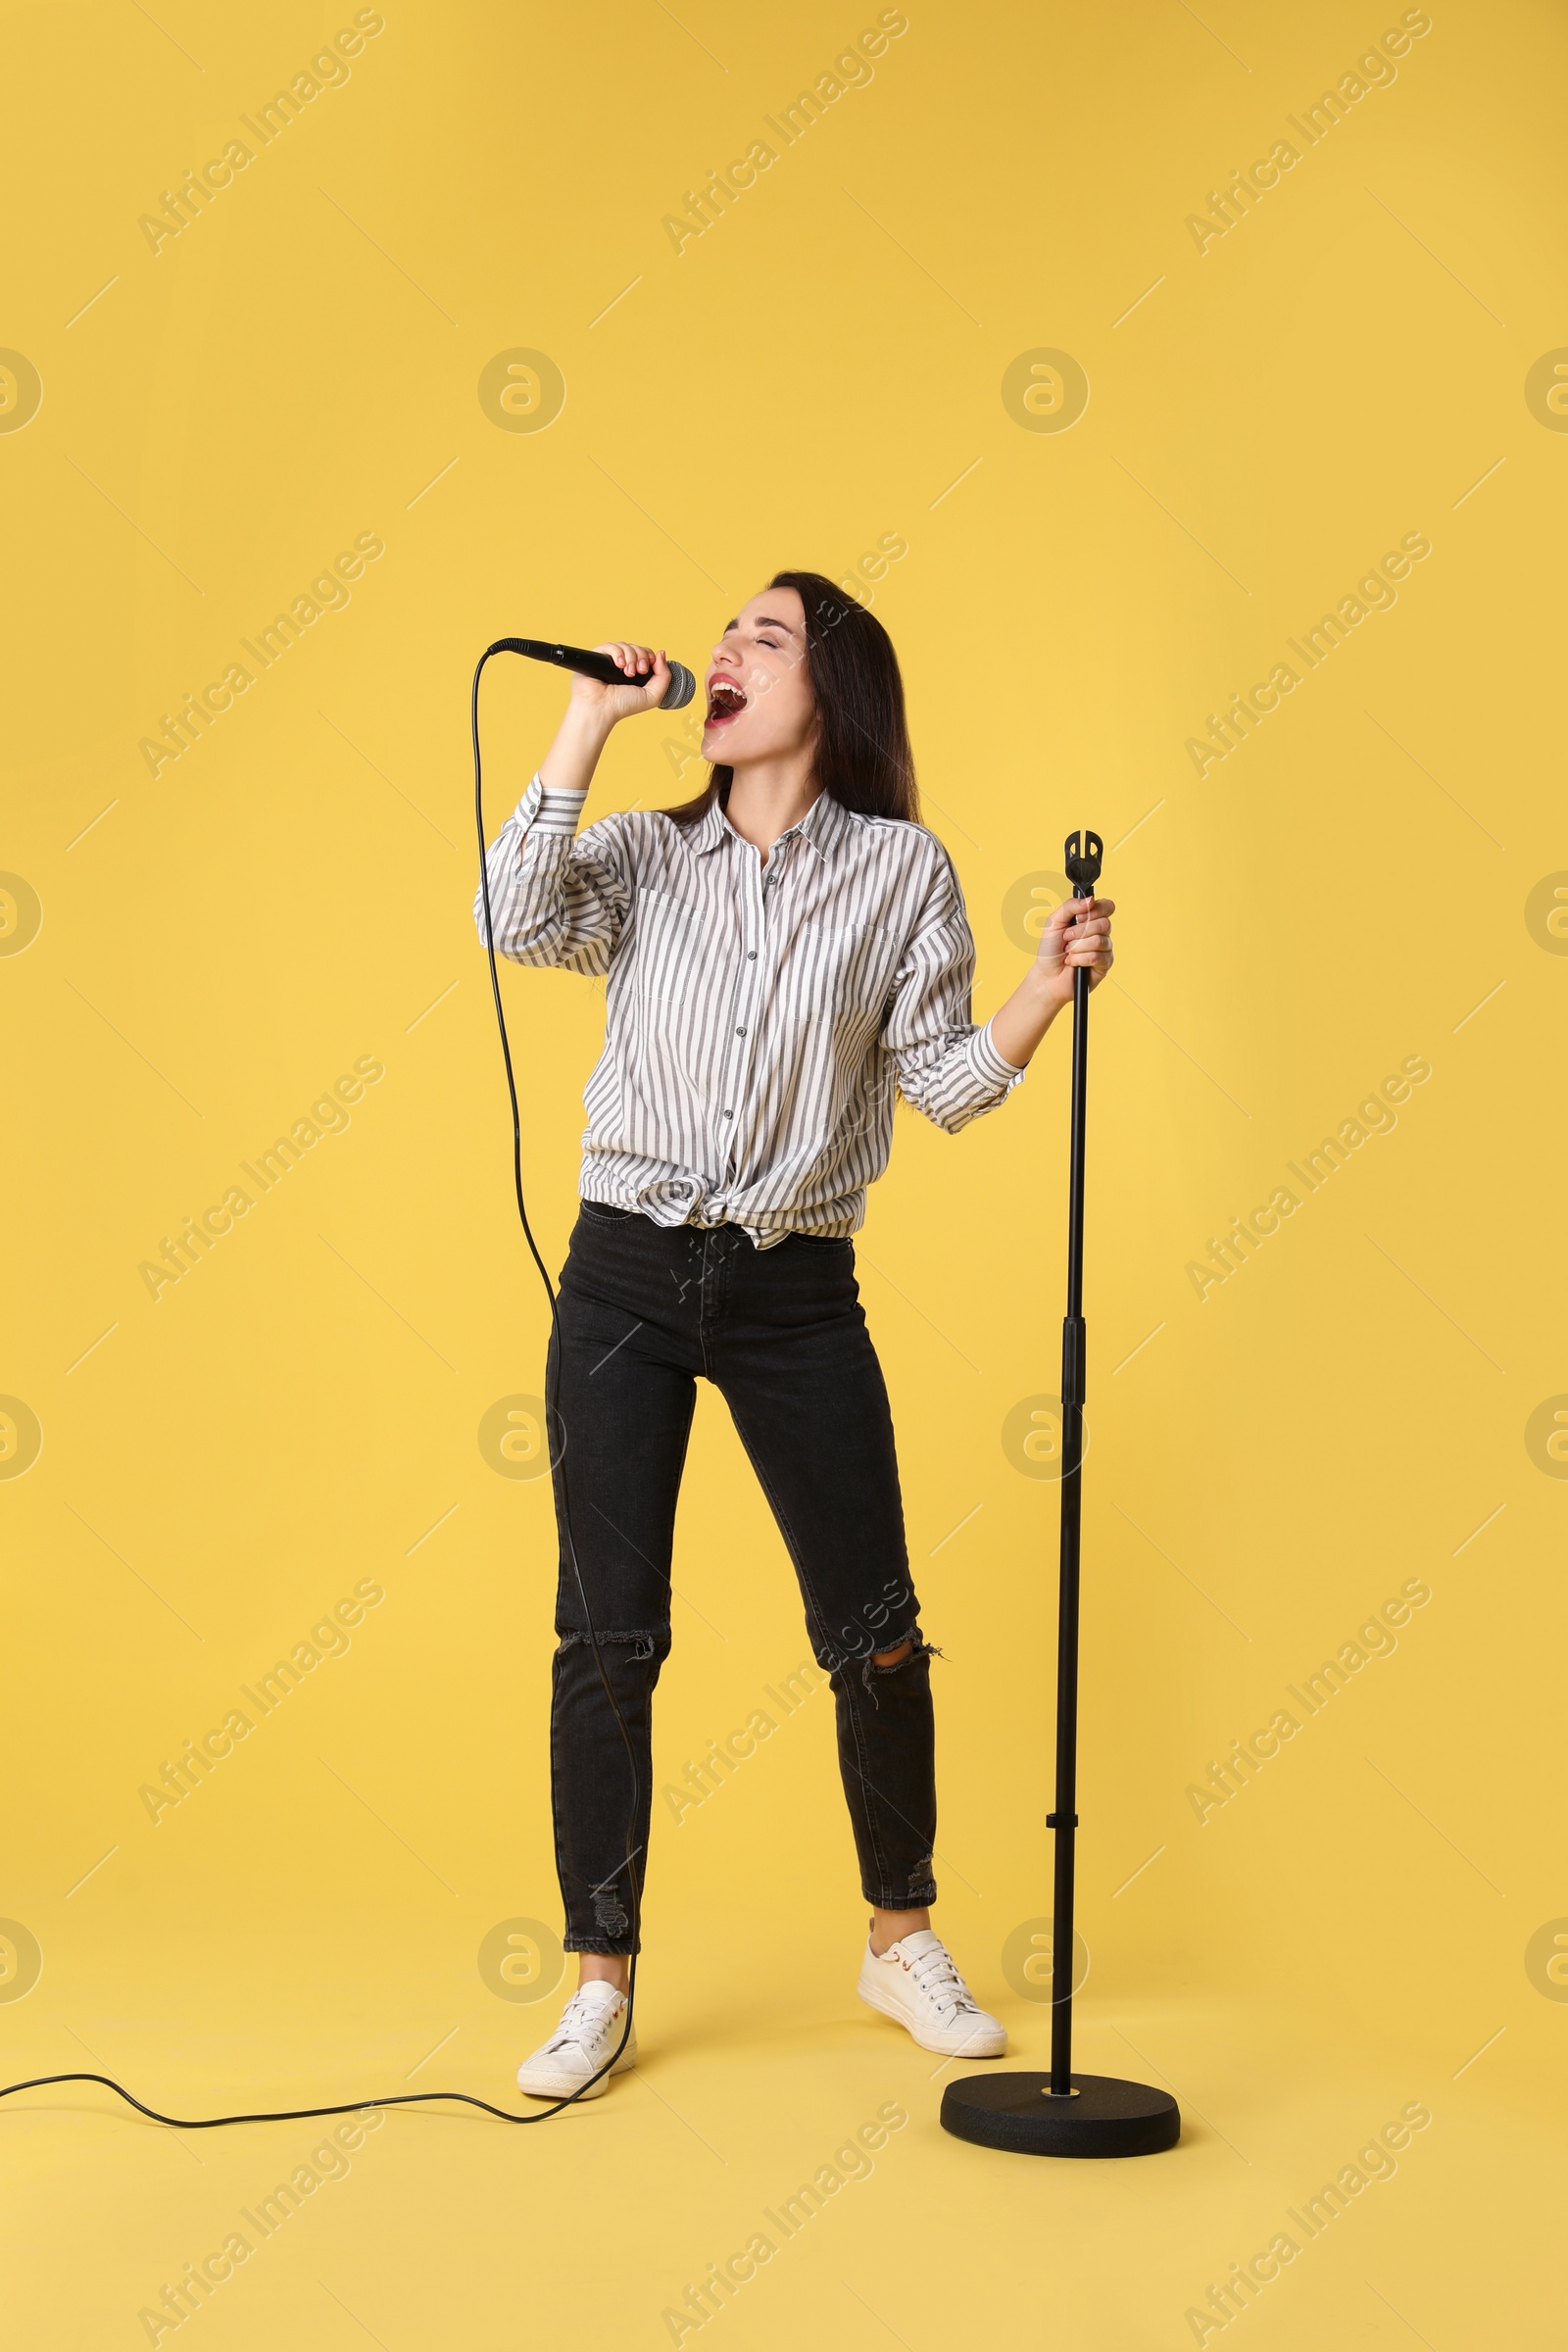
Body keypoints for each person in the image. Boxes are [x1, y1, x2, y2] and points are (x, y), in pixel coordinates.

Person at [473, 572, 1114, 2100]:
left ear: (834, 690)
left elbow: (945, 1088)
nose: (723, 653)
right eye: (725, 637)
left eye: (763, 637)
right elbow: (512, 917)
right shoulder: (639, 854)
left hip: (794, 1294)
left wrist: (1040, 984)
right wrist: (586, 720)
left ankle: (900, 1938)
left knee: (875, 1629)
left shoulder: (902, 873)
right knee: (606, 1638)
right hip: (625, 1273)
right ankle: (600, 1980)